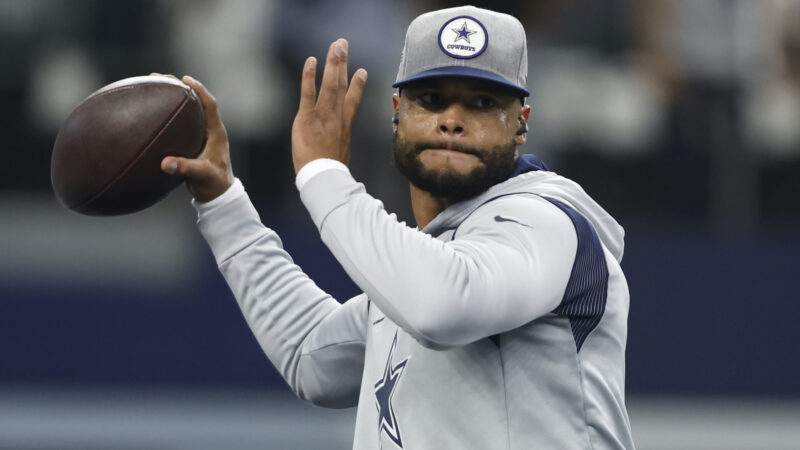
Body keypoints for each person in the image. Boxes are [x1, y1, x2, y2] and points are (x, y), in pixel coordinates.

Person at [161, 6, 634, 449]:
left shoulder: (545, 221)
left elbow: (442, 306)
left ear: (521, 123)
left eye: (483, 103)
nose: (452, 120)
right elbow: (313, 358)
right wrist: (223, 202)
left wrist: (323, 174)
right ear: (397, 112)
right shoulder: (430, 264)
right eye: (431, 99)